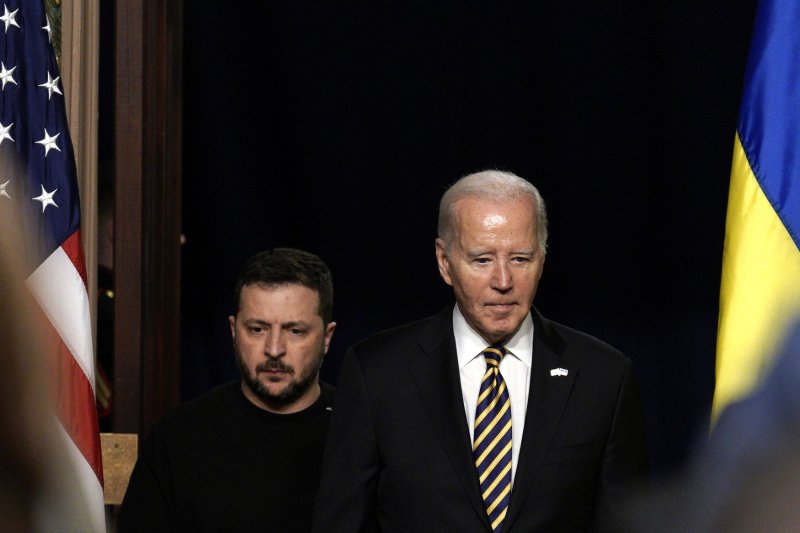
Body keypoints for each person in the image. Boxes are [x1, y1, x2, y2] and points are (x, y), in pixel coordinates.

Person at [313, 170, 648, 532]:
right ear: (444, 262)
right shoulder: (377, 372)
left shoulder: (603, 377)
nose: (503, 281)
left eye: (520, 258)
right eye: (482, 260)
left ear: (543, 258)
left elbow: (626, 522)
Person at [119, 248, 337, 532]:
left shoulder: (359, 432)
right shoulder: (179, 437)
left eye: (295, 331)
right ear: (234, 332)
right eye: (257, 329)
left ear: (326, 338)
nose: (274, 349)